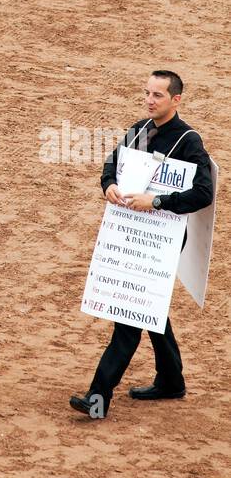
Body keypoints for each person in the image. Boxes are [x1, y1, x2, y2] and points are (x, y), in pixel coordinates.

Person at [70, 70, 214, 420]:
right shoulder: (138, 132)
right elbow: (111, 167)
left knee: (128, 313)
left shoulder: (189, 142)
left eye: (158, 95)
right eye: (147, 93)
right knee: (148, 304)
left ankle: (98, 397)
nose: (149, 100)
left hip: (161, 240)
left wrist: (158, 201)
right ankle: (171, 380)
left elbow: (203, 194)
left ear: (176, 100)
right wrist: (108, 186)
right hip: (130, 232)